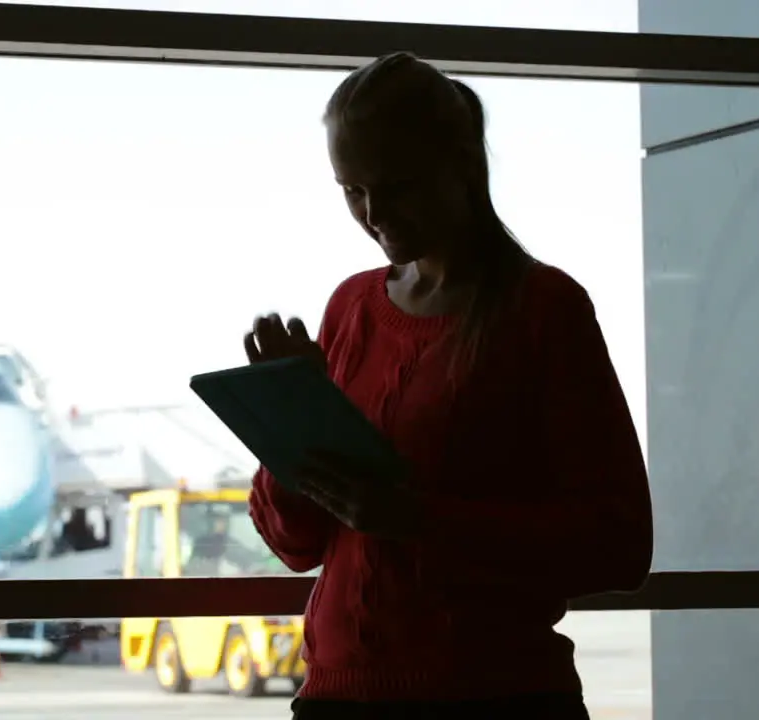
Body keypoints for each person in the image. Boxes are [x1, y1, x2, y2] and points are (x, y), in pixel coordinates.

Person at [244, 52, 654, 720]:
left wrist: (415, 517)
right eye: (352, 190)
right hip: (337, 696)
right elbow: (296, 545)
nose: (374, 213)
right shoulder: (350, 307)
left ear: (459, 162)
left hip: (494, 698)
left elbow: (619, 545)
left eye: (397, 186)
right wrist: (287, 423)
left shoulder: (544, 309)